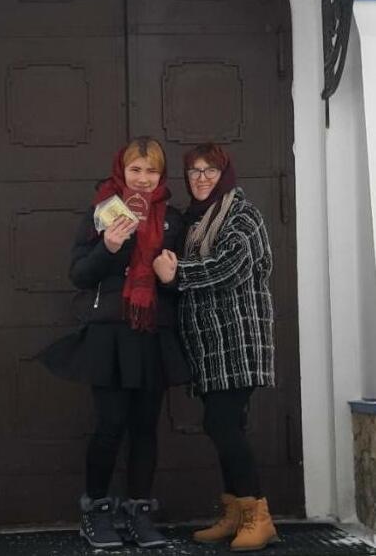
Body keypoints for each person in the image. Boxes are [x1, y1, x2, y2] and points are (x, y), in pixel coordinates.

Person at [42, 137, 189, 549]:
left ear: (161, 175)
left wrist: (171, 279)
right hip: (110, 334)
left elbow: (180, 281)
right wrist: (108, 247)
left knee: (145, 428)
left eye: (151, 170)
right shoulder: (102, 212)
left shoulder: (173, 220)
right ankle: (96, 512)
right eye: (135, 169)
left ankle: (139, 513)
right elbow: (79, 275)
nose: (143, 178)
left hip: (152, 334)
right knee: (110, 426)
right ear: (122, 171)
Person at [153, 143, 279, 552]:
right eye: (194, 171)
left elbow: (229, 268)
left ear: (224, 174)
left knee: (221, 425)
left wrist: (176, 274)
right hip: (209, 348)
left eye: (210, 170)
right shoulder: (196, 221)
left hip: (238, 342)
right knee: (225, 426)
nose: (201, 178)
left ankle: (258, 517)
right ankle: (236, 513)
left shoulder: (242, 215)